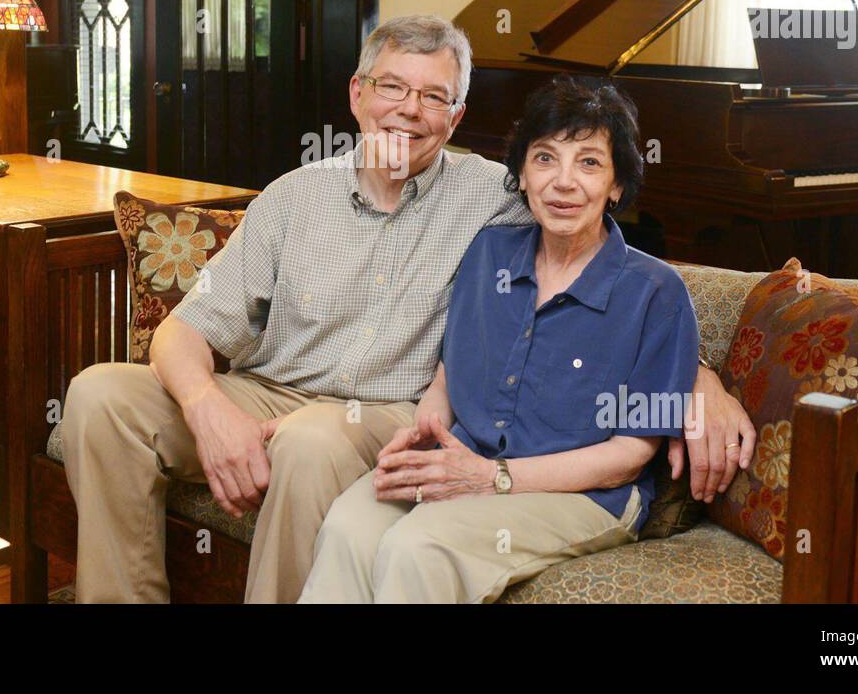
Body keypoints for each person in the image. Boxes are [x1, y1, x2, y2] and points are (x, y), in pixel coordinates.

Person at [59, 16, 755, 603]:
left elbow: (607, 270)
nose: (409, 110)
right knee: (100, 396)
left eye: (433, 97)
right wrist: (210, 410)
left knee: (313, 439)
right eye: (391, 86)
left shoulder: (499, 195)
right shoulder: (292, 197)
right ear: (357, 95)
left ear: (455, 118)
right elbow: (184, 329)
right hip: (271, 391)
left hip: (382, 410)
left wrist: (702, 379)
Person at [299, 77, 708, 603]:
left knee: (419, 546)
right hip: (468, 458)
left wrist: (492, 478)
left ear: (617, 185)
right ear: (521, 174)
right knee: (347, 527)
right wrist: (425, 433)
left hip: (588, 496)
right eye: (544, 159)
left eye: (588, 163)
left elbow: (630, 453)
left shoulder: (655, 292)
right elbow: (450, 373)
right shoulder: (489, 253)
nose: (563, 182)